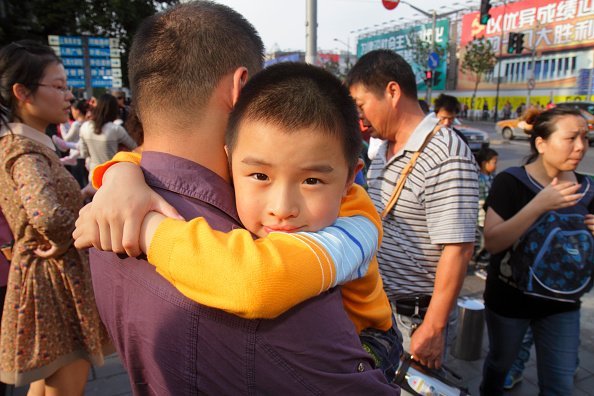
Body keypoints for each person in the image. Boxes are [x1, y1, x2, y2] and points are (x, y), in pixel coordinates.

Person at [73, 3, 399, 394]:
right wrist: (120, 173)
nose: (282, 207)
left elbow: (257, 280)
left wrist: (143, 219)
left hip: (373, 337)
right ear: (242, 88)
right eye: (260, 175)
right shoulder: (125, 199)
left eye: (311, 179)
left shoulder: (108, 215)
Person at [346, 50, 478, 370]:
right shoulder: (386, 149)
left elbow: (458, 249)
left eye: (361, 106)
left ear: (392, 92)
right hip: (383, 308)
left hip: (415, 319)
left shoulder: (446, 152)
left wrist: (433, 327)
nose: (360, 118)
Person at [0, 40, 109, 394]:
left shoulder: (24, 143)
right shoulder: (25, 150)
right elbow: (45, 215)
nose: (68, 96)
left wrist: (83, 197)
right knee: (66, 380)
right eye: (59, 87)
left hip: (45, 275)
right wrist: (82, 222)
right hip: (55, 278)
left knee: (51, 382)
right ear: (22, 92)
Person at [480, 107, 593, 395]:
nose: (581, 146)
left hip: (563, 304)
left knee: (559, 385)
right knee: (499, 364)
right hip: (510, 301)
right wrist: (539, 204)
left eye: (585, 137)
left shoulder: (589, 189)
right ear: (541, 143)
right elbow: (492, 243)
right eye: (571, 138)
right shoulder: (511, 182)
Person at [78, 93, 137, 178]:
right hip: (112, 173)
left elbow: (83, 153)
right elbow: (133, 146)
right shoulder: (115, 129)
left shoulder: (85, 126)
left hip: (93, 174)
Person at [473, 148, 498, 280]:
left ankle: (482, 263)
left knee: (486, 242)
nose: (496, 165)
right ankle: (480, 266)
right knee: (482, 243)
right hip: (480, 218)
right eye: (494, 162)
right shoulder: (478, 178)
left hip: (489, 218)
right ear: (484, 163)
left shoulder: (492, 177)